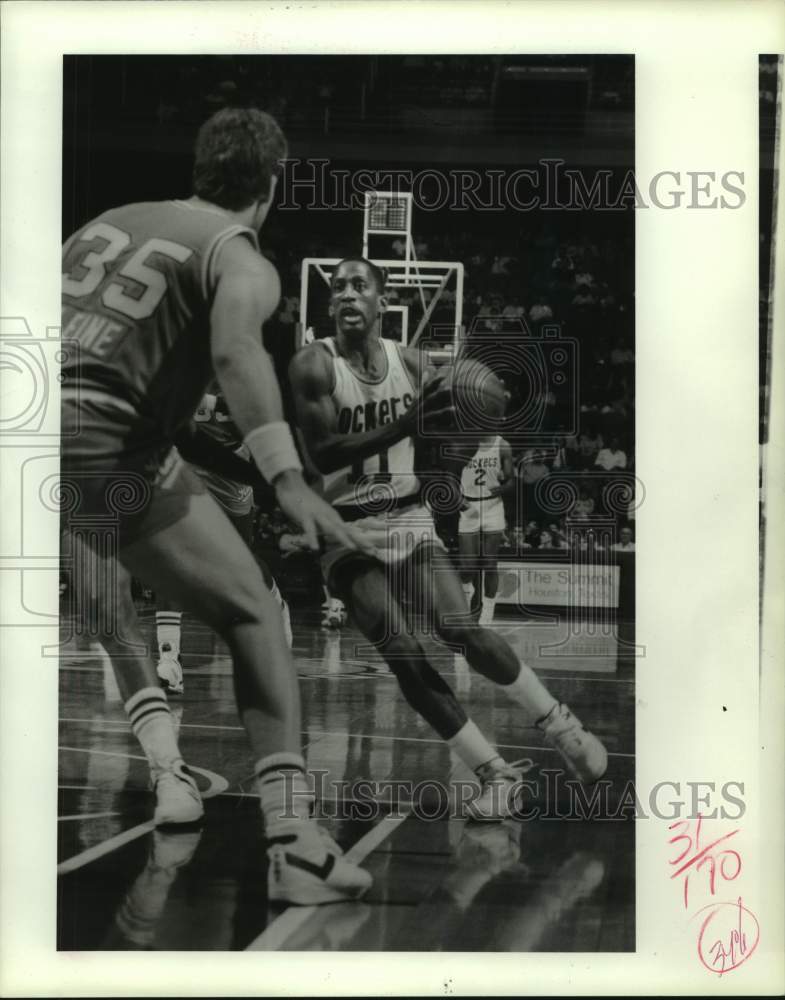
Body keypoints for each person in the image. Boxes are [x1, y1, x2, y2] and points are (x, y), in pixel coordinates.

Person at [60, 108, 371, 904]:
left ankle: (172, 772)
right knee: (255, 613)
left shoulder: (109, 220)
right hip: (100, 446)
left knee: (107, 620)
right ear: (272, 185)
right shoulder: (240, 255)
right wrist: (286, 476)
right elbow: (235, 347)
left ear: (200, 168)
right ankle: (295, 841)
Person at [288, 257, 608, 814]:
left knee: (460, 628)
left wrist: (451, 461)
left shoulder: (413, 364)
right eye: (337, 287)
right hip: (344, 527)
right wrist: (405, 426)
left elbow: (444, 441)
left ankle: (563, 727)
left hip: (408, 516)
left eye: (359, 286)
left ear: (382, 302)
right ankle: (495, 774)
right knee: (404, 653)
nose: (345, 294)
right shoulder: (313, 365)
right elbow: (321, 452)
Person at [155, 389, 293, 695]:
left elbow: (269, 408)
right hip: (183, 462)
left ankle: (275, 603)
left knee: (240, 562)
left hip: (229, 467)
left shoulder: (240, 353)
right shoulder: (174, 354)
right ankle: (169, 658)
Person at [458, 434, 514, 624]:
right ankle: (467, 599)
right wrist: (458, 500)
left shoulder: (502, 445)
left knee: (490, 564)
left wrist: (502, 487)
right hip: (468, 508)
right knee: (467, 567)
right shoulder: (462, 443)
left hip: (492, 507)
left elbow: (511, 481)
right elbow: (448, 477)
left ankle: (488, 610)